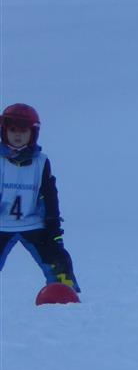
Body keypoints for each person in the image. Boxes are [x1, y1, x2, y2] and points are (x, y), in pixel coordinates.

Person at [0, 103, 81, 296]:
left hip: (34, 224)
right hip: (1, 224)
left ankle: (65, 296)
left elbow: (50, 195)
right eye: (13, 130)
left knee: (58, 260)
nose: (18, 135)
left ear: (33, 133)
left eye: (23, 131)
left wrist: (53, 225)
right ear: (4, 131)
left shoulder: (41, 162)